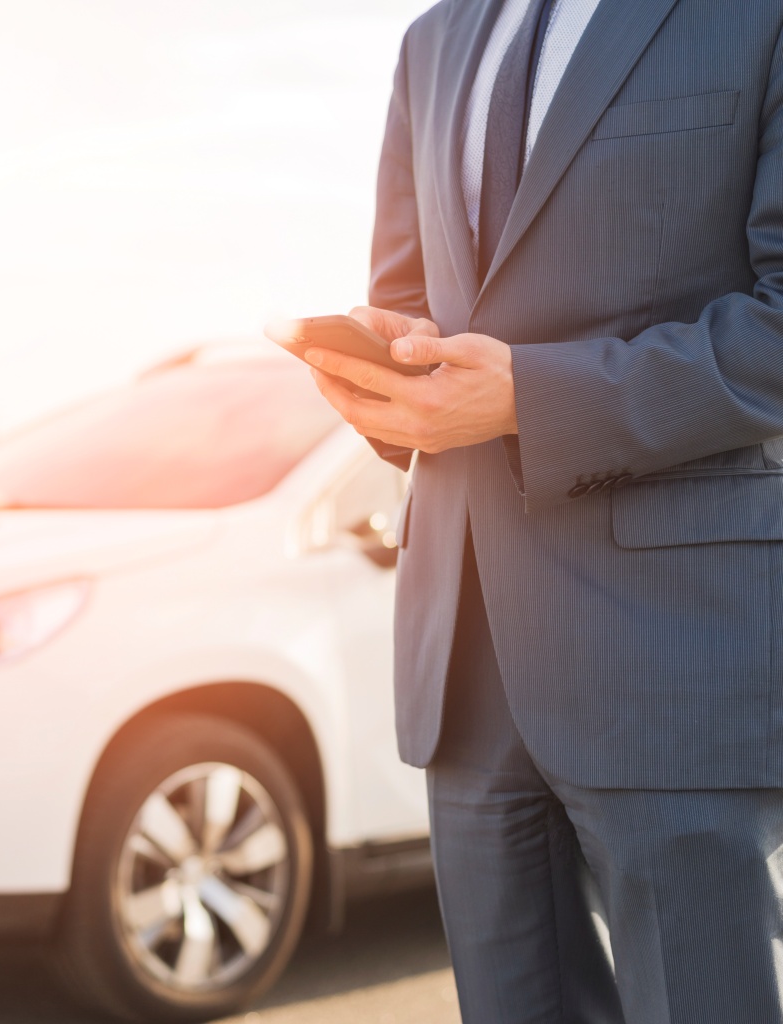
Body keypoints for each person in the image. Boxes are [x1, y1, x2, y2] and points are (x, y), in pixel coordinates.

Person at [301, 0, 783, 1021]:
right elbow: (410, 300)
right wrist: (383, 386)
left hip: (666, 646)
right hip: (465, 650)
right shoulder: (431, 42)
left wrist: (527, 397)